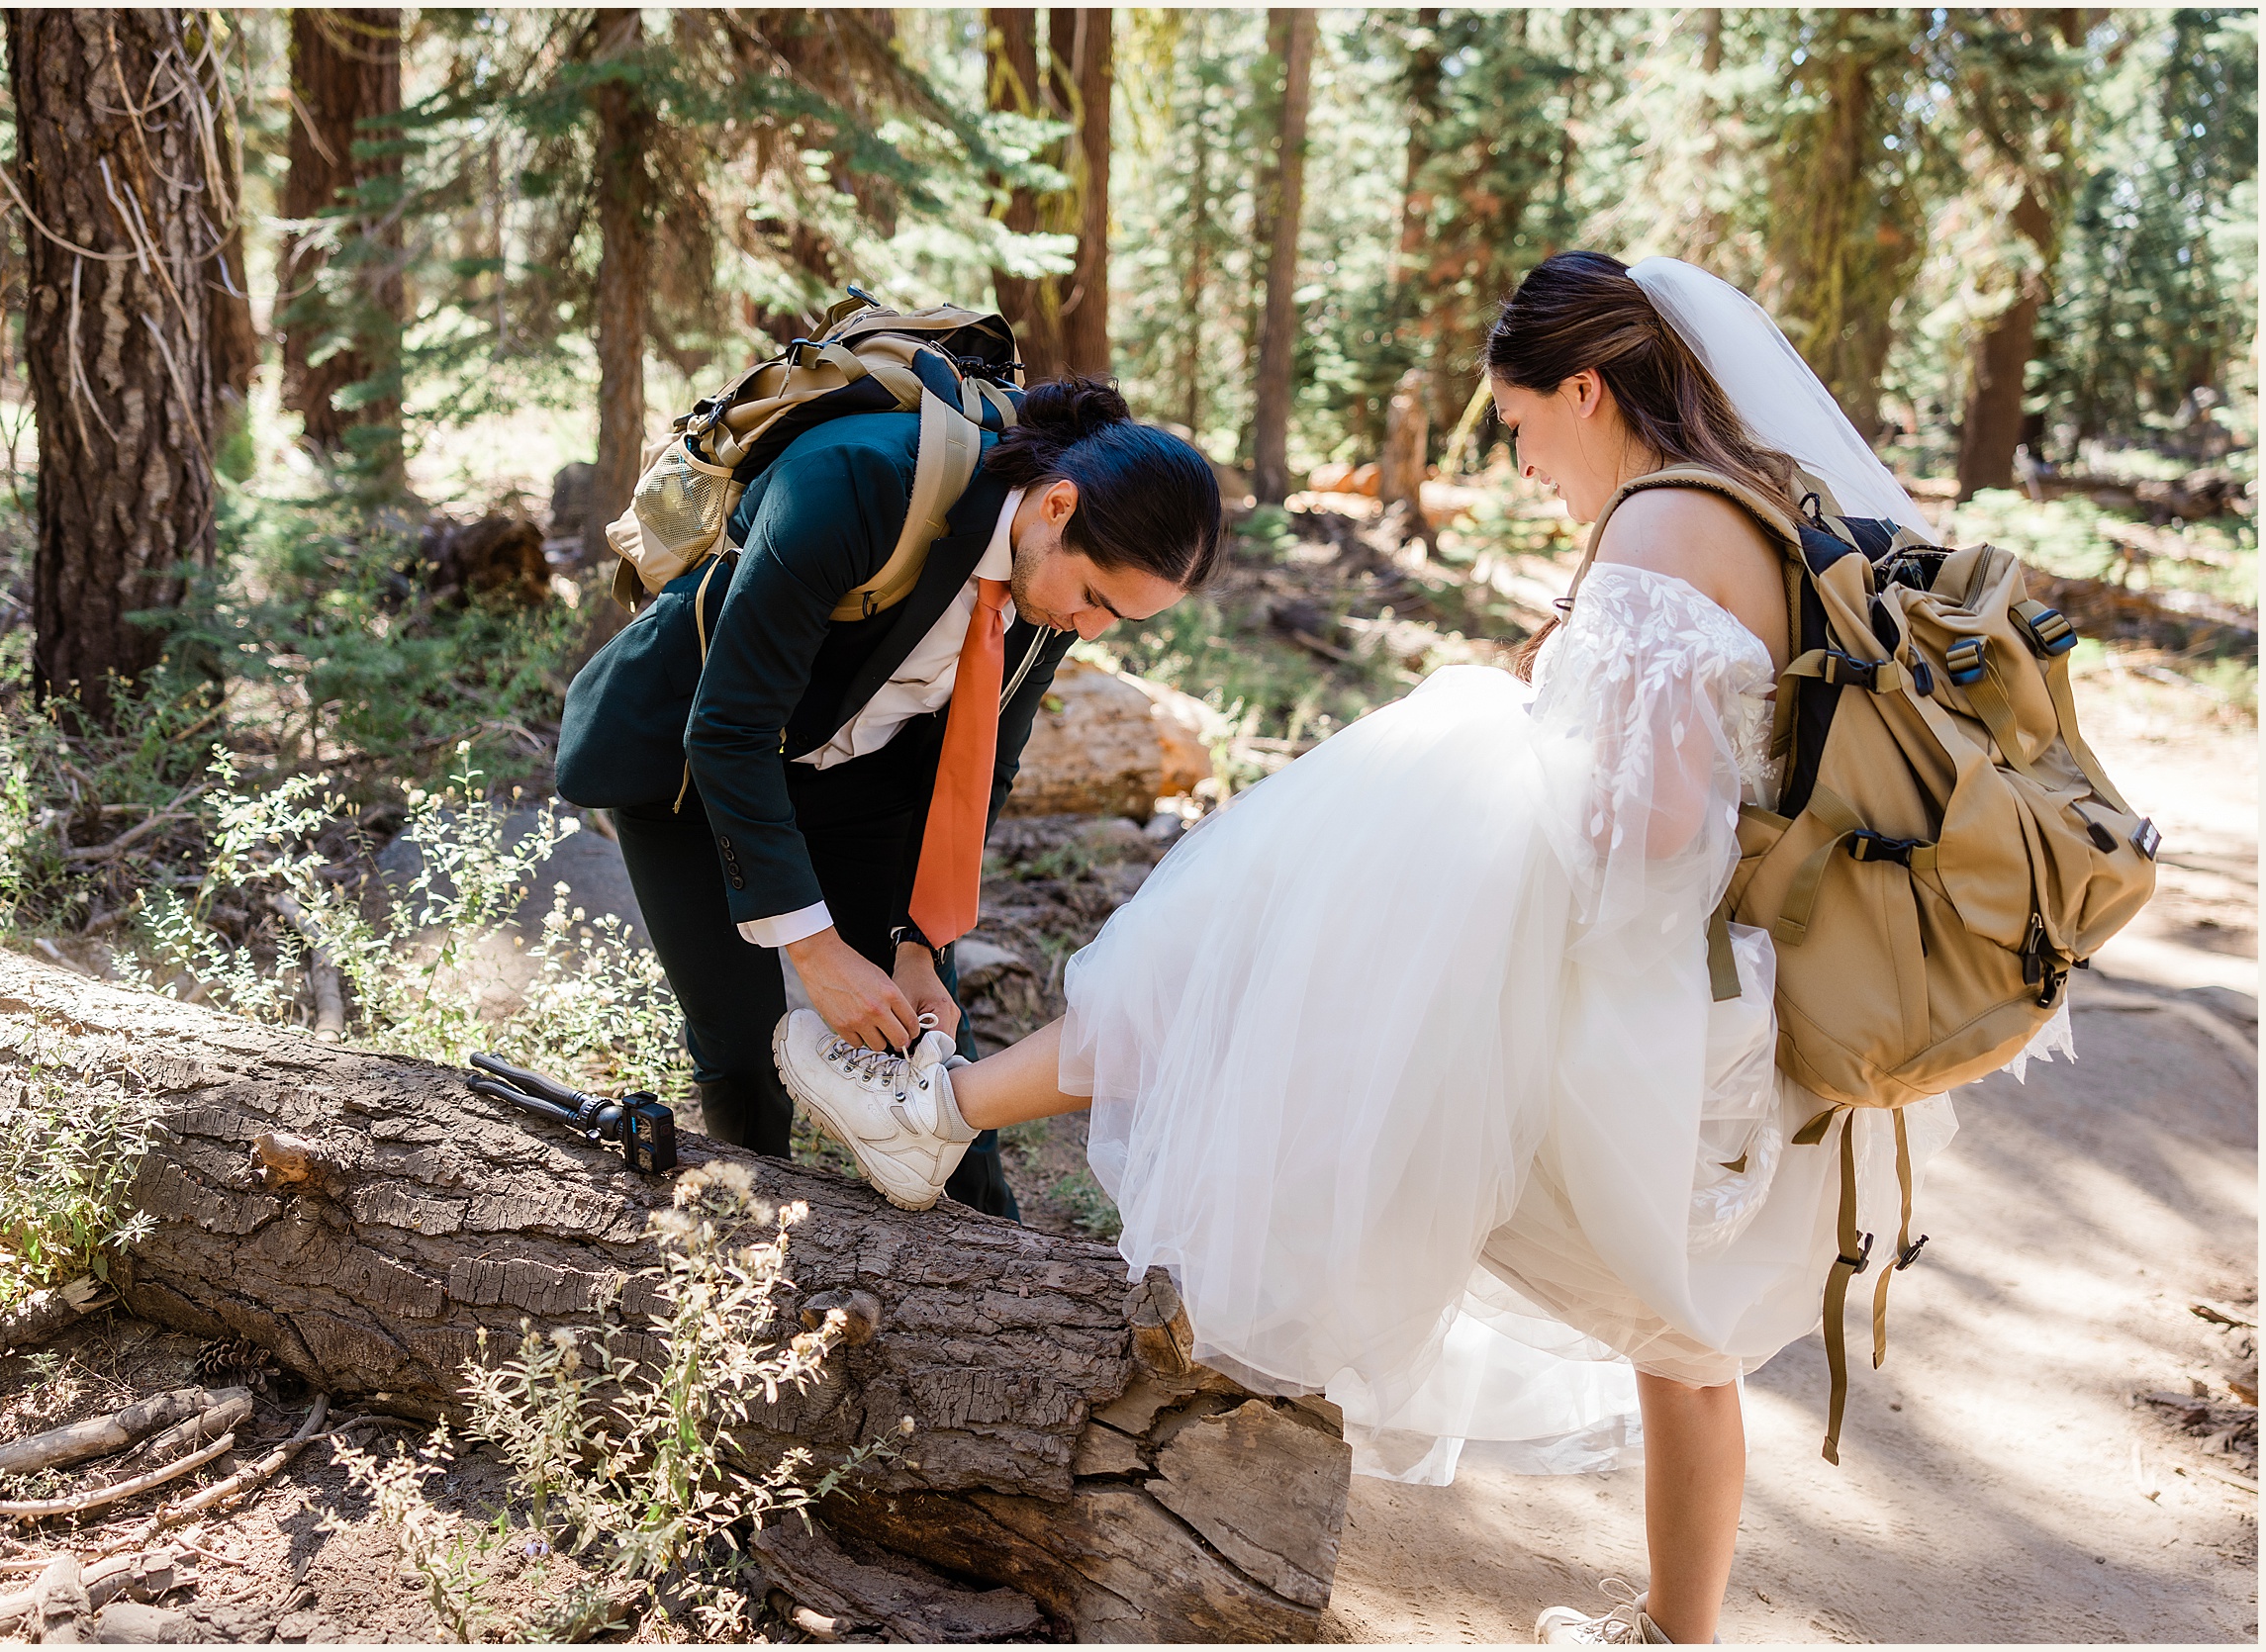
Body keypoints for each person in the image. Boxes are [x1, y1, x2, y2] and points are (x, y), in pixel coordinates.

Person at [771, 253, 2072, 1642]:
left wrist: (1514, 735)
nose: (1523, 461)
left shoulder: (1660, 529)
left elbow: (1651, 829)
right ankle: (1677, 1631)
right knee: (1685, 1345)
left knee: (1249, 956)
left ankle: (942, 1110)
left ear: (1585, 389)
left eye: (1520, 423)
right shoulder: (1762, 499)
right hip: (1724, 1006)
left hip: (1628, 993)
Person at [558, 377, 1224, 1221]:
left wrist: (917, 940)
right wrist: (817, 953)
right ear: (1058, 505)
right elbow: (725, 731)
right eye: (1095, 598)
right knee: (741, 1046)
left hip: (859, 772)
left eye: (1117, 619)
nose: (1089, 629)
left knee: (930, 1042)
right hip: (692, 771)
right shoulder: (853, 483)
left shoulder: (1047, 591)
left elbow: (983, 762)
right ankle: (746, 1233)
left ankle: (997, 1256)